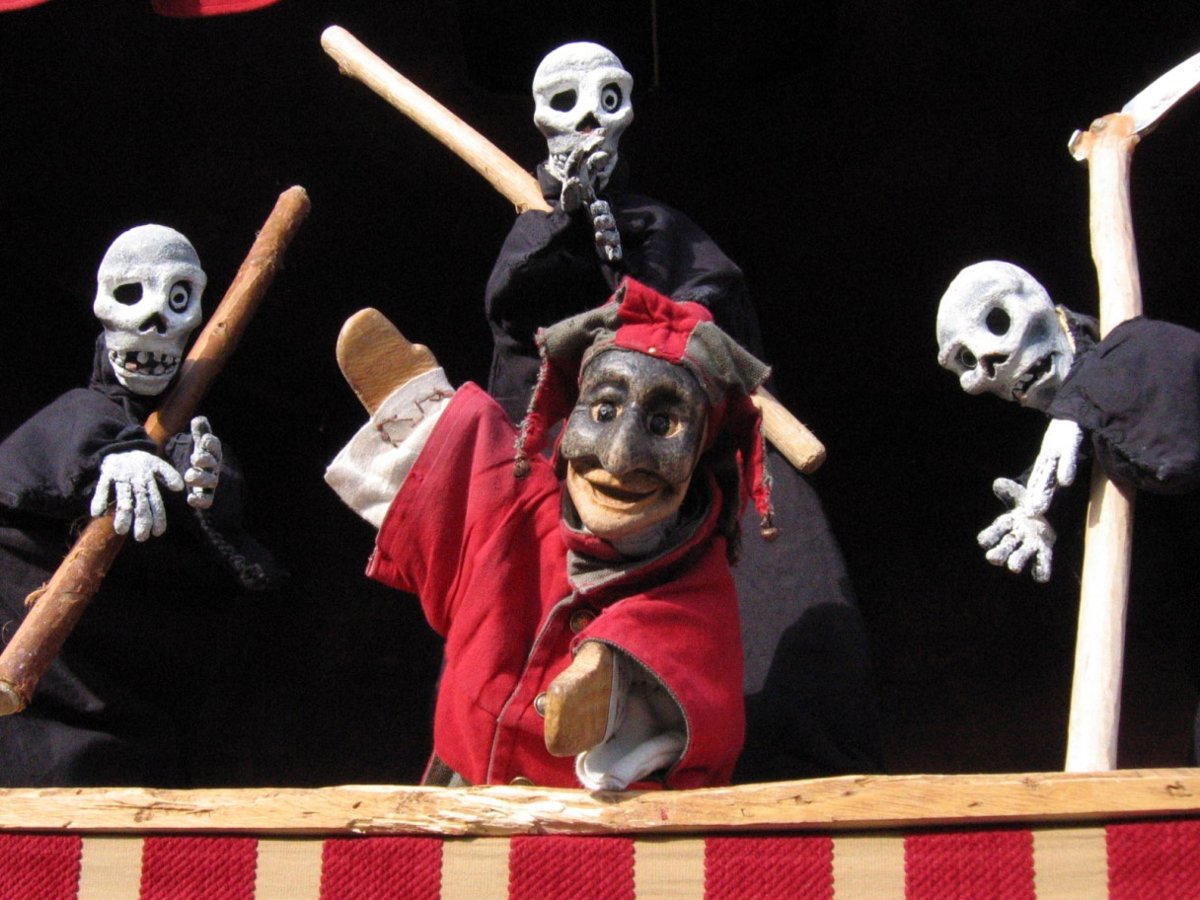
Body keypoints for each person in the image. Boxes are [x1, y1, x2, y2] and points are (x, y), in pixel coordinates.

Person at [483, 41, 882, 780]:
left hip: (674, 459)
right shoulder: (537, 241)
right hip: (571, 455)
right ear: (542, 119)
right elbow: (521, 347)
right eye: (567, 104)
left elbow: (716, 313)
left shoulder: (665, 234)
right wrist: (567, 249)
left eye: (608, 101)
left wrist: (658, 316)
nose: (590, 123)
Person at [326, 279, 775, 789]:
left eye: (663, 425)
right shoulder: (520, 509)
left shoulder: (695, 588)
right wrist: (410, 397)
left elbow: (698, 674)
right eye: (604, 412)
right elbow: (471, 458)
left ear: (699, 454)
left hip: (596, 823)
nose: (619, 457)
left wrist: (610, 673)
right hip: (462, 801)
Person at [0, 225, 283, 786]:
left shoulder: (193, 446)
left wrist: (207, 490)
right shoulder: (76, 423)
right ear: (105, 307)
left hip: (145, 723)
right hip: (43, 718)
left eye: (178, 300)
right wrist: (104, 460)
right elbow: (29, 473)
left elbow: (225, 559)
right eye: (132, 295)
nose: (155, 321)